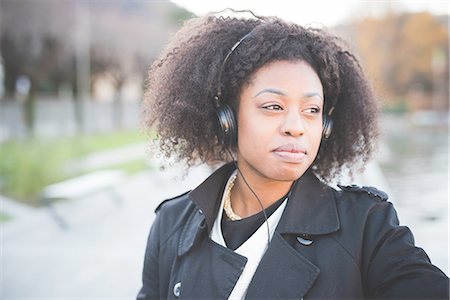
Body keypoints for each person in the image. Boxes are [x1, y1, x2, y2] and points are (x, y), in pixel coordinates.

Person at [137, 10, 449, 299]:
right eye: (274, 106)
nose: (296, 127)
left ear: (325, 126)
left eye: (312, 110)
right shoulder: (171, 224)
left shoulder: (368, 225)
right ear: (227, 118)